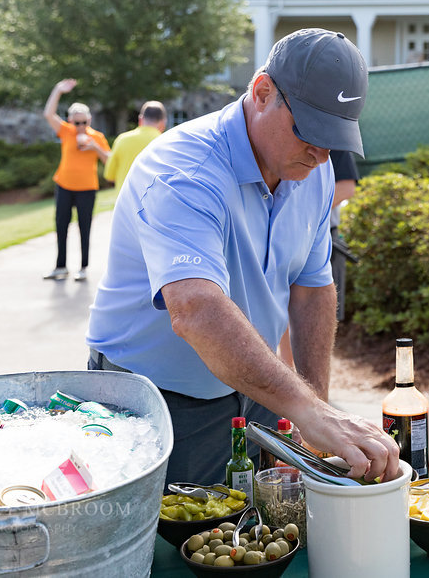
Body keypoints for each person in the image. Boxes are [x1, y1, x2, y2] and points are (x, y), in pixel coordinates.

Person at [85, 29, 400, 486]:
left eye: (333, 137)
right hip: (155, 400)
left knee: (262, 535)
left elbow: (312, 289)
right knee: (173, 550)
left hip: (257, 388)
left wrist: (317, 413)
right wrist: (309, 411)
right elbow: (195, 310)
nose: (320, 153)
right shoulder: (182, 171)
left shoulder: (316, 170)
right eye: (310, 131)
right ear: (262, 92)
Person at [278, 150, 359, 369]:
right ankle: (288, 370)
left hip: (320, 235)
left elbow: (346, 188)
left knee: (313, 306)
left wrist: (305, 211)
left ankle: (309, 377)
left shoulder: (336, 140)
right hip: (283, 231)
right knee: (280, 301)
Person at [43, 79, 111, 282]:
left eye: (84, 122)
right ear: (71, 121)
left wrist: (95, 148)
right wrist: (58, 90)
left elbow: (110, 160)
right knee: (61, 225)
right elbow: (48, 114)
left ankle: (83, 267)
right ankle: (60, 266)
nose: (81, 126)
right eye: (77, 122)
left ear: (90, 120)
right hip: (63, 185)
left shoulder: (96, 137)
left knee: (84, 226)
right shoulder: (66, 131)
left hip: (87, 188)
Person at [103, 100, 167, 193]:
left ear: (140, 119)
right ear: (163, 122)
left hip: (125, 200)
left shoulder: (122, 139)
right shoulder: (164, 142)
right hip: (153, 200)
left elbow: (109, 175)